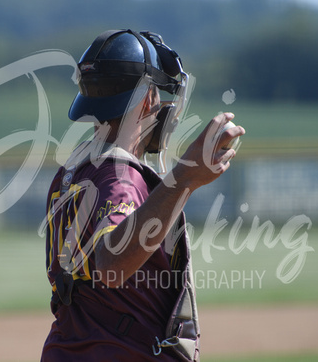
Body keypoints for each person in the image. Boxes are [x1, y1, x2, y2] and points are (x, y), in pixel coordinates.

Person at [41, 30, 245, 361]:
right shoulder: (120, 176)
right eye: (160, 96)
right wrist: (183, 179)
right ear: (148, 100)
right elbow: (111, 265)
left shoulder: (75, 170)